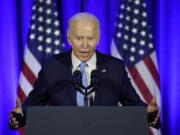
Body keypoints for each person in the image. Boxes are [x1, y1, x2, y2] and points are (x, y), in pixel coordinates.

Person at [9, 12, 160, 129]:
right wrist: (20, 116)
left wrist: (147, 112)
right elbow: (34, 105)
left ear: (99, 38)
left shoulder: (115, 67)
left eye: (90, 38)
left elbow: (132, 103)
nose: (85, 45)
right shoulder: (52, 66)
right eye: (79, 38)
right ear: (69, 38)